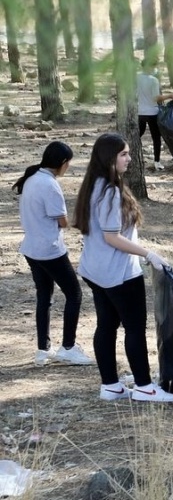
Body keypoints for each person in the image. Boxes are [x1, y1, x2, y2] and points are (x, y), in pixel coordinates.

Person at [74, 132, 173, 402]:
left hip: (95, 270)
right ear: (109, 158)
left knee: (106, 325)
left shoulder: (93, 184)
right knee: (134, 327)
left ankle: (110, 385)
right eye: (124, 154)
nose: (129, 159)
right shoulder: (109, 191)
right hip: (117, 273)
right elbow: (112, 236)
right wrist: (148, 254)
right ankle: (144, 386)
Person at [16, 142, 92, 367]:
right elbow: (62, 221)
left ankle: (43, 350)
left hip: (31, 247)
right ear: (62, 163)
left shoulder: (31, 178)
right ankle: (68, 347)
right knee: (74, 294)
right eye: (68, 164)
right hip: (49, 250)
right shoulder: (50, 185)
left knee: (44, 297)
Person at [136, 64, 173, 170]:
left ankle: (132, 156)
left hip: (141, 112)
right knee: (156, 138)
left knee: (138, 135)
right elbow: (156, 98)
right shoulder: (153, 80)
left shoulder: (137, 78)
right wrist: (170, 96)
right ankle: (157, 162)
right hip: (152, 112)